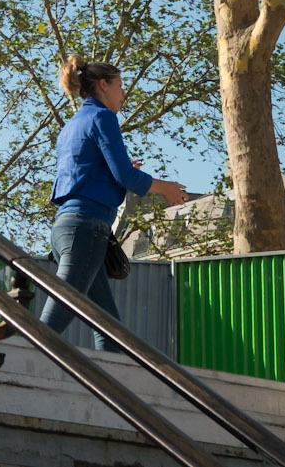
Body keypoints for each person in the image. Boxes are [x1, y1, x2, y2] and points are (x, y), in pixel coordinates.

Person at [38, 56, 186, 351]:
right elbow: (125, 176)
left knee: (109, 330)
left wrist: (117, 171)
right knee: (52, 322)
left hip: (66, 229)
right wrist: (164, 189)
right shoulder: (104, 117)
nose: (123, 93)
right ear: (103, 86)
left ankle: (108, 389)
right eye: (120, 85)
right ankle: (10, 369)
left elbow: (84, 172)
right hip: (86, 229)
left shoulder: (71, 125)